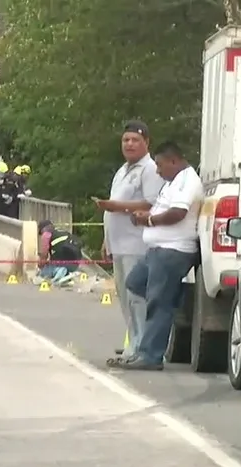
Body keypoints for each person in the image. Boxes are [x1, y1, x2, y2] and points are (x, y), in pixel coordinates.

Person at [108, 141, 202, 370]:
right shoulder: (172, 182)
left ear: (173, 161)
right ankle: (175, 300)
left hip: (173, 249)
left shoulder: (187, 181)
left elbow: (178, 212)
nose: (157, 171)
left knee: (158, 301)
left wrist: (149, 220)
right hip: (157, 250)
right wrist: (146, 215)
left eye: (160, 165)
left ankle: (150, 355)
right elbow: (164, 209)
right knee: (135, 283)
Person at [93, 121, 165, 357]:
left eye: (135, 140)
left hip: (137, 243)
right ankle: (133, 341)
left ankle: (144, 345)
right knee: (124, 297)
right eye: (126, 140)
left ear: (147, 142)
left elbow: (151, 203)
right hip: (119, 243)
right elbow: (113, 208)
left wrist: (115, 206)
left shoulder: (150, 169)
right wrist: (107, 239)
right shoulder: (123, 170)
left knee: (137, 297)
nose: (130, 144)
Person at [37, 220, 82, 285]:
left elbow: (44, 254)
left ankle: (59, 271)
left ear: (43, 229)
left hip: (61, 261)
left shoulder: (46, 234)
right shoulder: (63, 232)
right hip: (75, 261)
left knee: (44, 271)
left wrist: (41, 264)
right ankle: (66, 273)